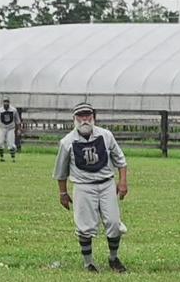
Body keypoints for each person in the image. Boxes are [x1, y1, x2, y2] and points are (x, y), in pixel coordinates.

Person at [53, 102, 129, 273]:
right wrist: (63, 192)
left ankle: (113, 258)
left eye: (88, 116)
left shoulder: (106, 136)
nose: (84, 120)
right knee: (85, 227)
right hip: (83, 186)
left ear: (93, 117)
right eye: (80, 116)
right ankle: (89, 263)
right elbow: (60, 171)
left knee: (113, 223)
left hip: (106, 184)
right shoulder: (67, 142)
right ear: (74, 119)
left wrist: (123, 182)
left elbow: (120, 160)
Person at [0, 97, 21, 162]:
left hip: (11, 128)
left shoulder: (13, 110)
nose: (6, 103)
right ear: (3, 103)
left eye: (7, 102)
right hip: (1, 128)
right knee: (0, 143)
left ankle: (13, 157)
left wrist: (19, 129)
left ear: (9, 102)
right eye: (4, 102)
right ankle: (1, 157)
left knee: (11, 144)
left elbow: (17, 121)